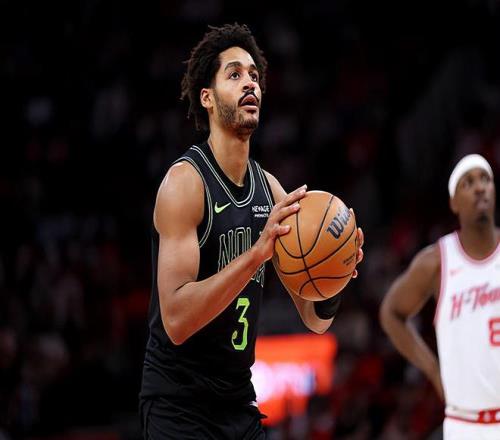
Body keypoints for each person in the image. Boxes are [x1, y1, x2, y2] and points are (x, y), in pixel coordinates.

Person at [139, 23, 363, 440]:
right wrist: (257, 254)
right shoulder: (185, 184)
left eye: (254, 76)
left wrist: (336, 274)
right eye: (234, 74)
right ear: (207, 98)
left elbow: (315, 320)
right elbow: (176, 320)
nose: (250, 84)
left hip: (238, 401)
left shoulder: (271, 191)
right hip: (178, 406)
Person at [380, 153, 500, 439]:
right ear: (454, 203)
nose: (479, 187)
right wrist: (433, 370)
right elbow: (391, 313)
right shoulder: (437, 261)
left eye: (485, 179)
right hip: (465, 423)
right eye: (468, 183)